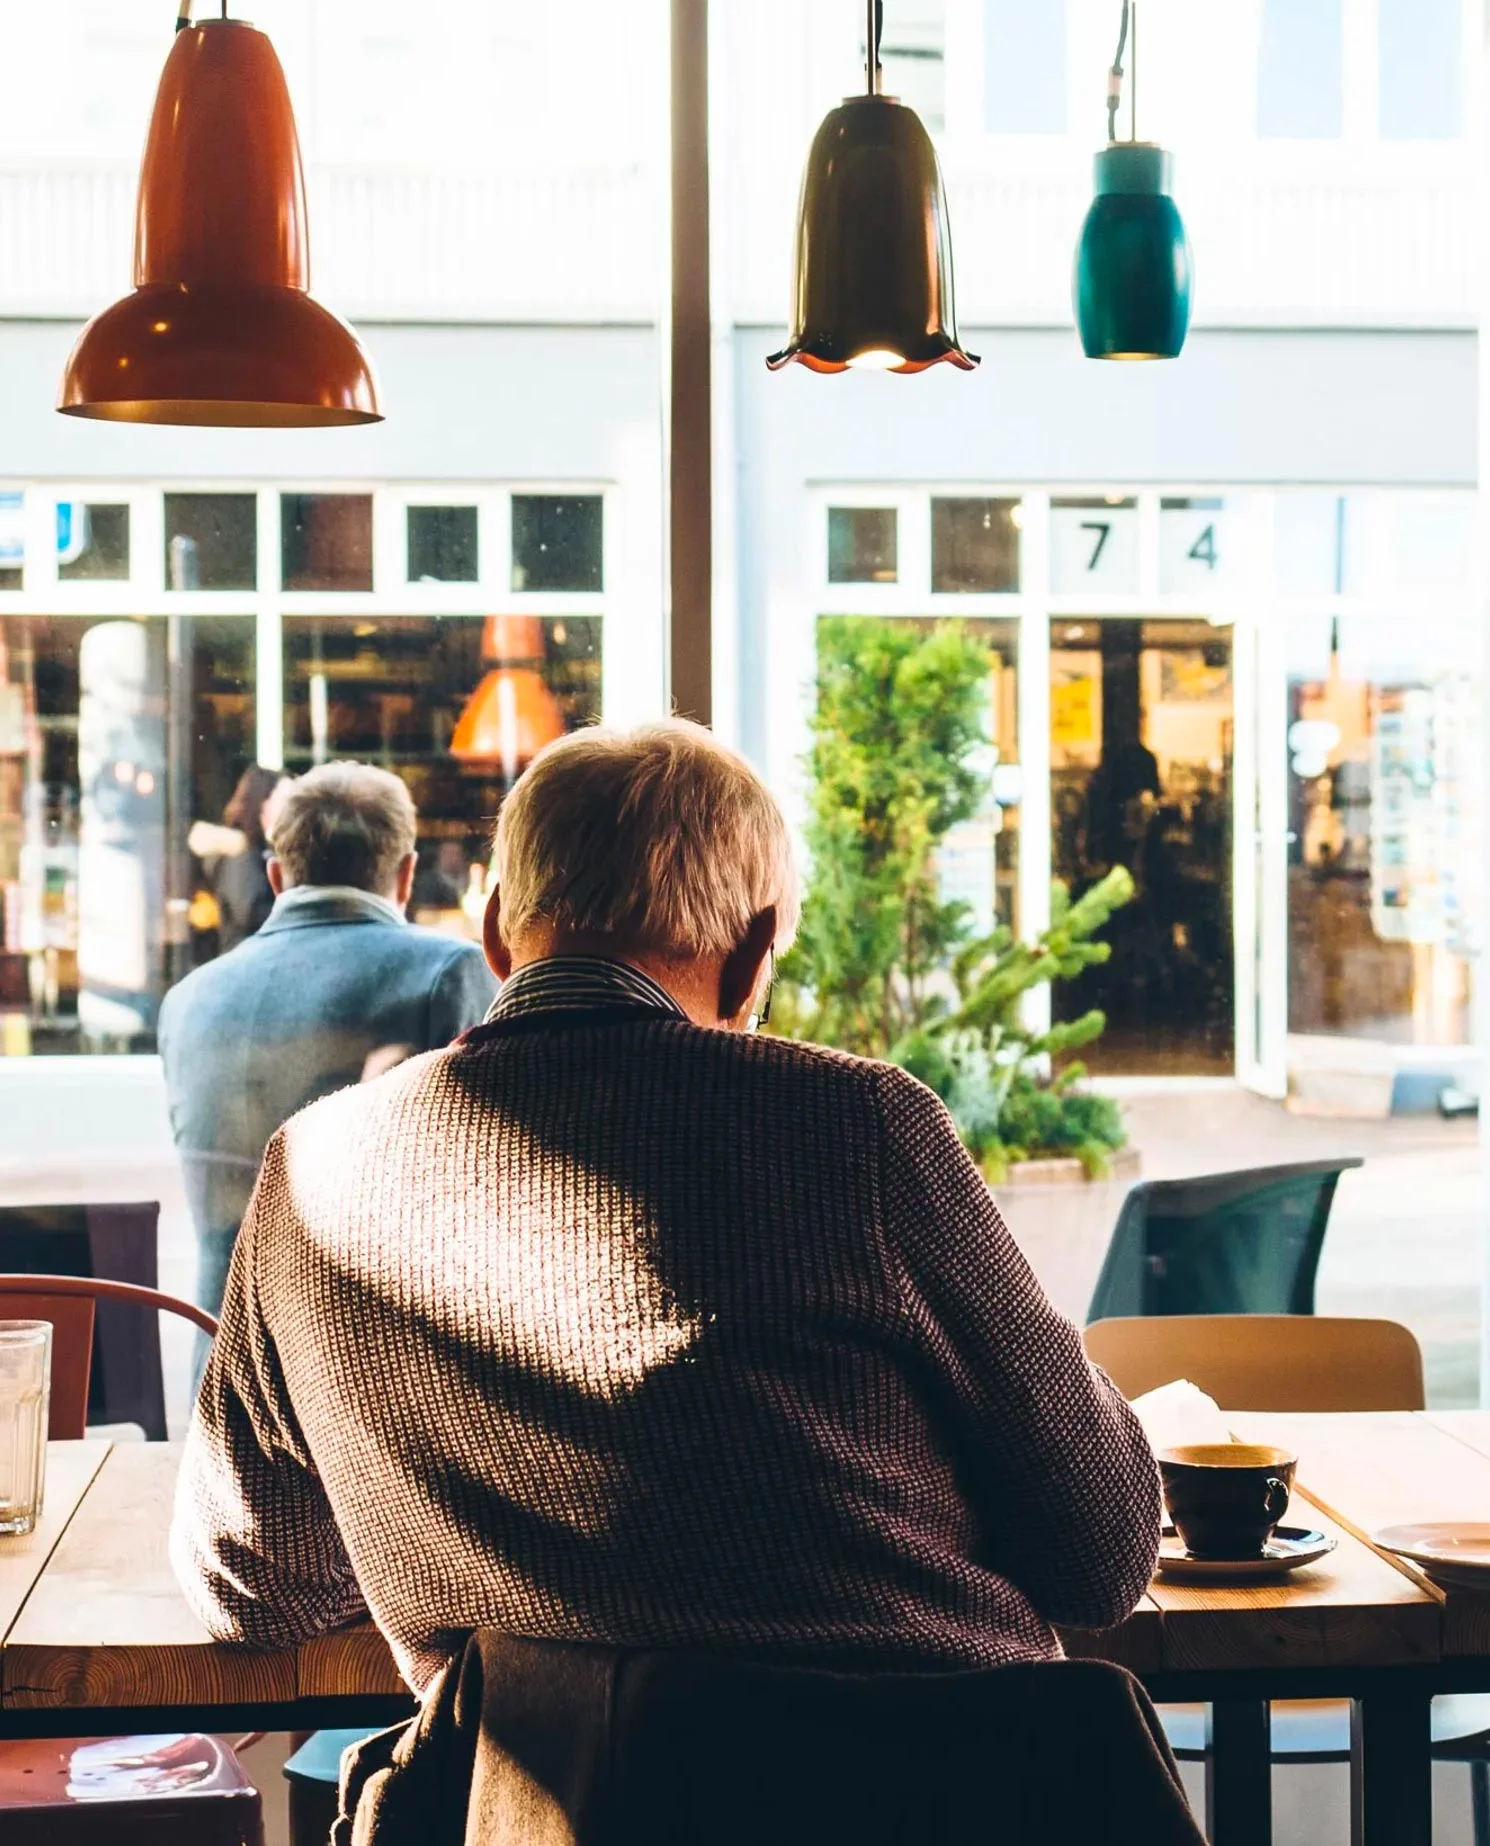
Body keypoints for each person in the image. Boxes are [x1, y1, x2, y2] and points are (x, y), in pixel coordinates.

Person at [171, 721, 1159, 1695]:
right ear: (751, 954)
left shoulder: (313, 1169)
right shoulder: (858, 1127)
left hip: (543, 1809)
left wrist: (452, 1524)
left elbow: (252, 1585)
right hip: (940, 1795)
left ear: (496, 931)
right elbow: (1101, 1552)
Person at [159, 760, 497, 1325]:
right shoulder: (446, 974)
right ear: (408, 875)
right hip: (372, 1374)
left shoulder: (188, 998)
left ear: (276, 877)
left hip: (220, 1372)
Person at [187, 763, 293, 954]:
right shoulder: (241, 853)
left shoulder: (260, 851)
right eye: (285, 800)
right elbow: (250, 913)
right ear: (263, 803)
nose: (292, 809)